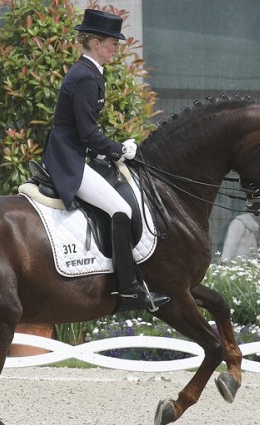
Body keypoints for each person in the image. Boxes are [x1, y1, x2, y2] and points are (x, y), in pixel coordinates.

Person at [42, 9, 169, 311]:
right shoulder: (85, 76)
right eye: (112, 43)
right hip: (69, 158)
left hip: (77, 152)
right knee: (120, 210)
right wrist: (118, 150)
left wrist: (109, 149)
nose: (116, 49)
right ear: (96, 43)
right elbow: (86, 133)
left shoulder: (90, 73)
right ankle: (129, 289)